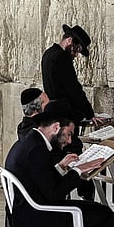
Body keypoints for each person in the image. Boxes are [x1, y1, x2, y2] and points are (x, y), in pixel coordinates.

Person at [41, 24, 106, 155]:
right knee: (71, 150)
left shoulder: (48, 53)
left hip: (52, 111)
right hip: (63, 113)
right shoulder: (62, 58)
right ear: (69, 40)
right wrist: (89, 113)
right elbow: (73, 89)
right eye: (76, 49)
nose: (76, 54)